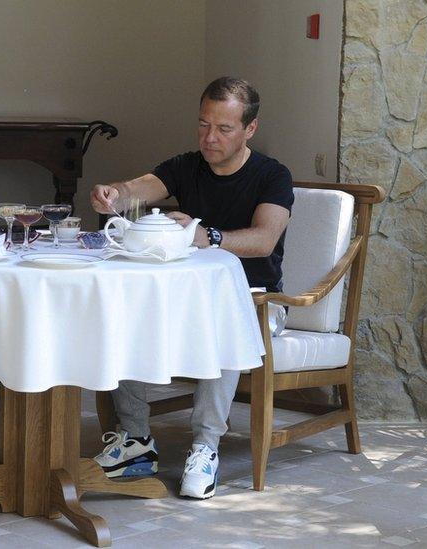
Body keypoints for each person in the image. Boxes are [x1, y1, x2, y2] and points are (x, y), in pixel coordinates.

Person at [90, 76, 293, 499]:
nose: (210, 137)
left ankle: (205, 446)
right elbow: (139, 189)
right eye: (203, 125)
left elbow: (264, 240)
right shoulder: (186, 166)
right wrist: (115, 194)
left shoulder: (272, 175)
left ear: (249, 129)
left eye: (224, 128)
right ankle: (136, 443)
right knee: (120, 317)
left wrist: (210, 236)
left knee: (222, 321)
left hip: (258, 301)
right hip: (184, 299)